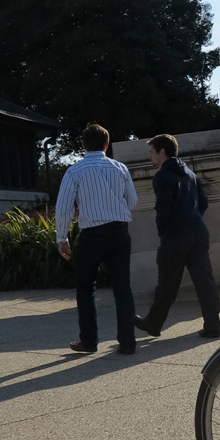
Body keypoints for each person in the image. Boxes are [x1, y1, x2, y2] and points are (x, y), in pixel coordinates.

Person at [55, 123, 138, 355]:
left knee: (85, 286)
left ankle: (89, 341)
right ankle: (128, 341)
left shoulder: (75, 171)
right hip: (119, 231)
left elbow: (63, 207)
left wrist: (62, 237)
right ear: (106, 145)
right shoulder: (120, 168)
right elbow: (132, 201)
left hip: (92, 233)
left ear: (84, 145)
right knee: (122, 287)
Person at [134, 135, 220, 340]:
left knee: (168, 282)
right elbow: (203, 202)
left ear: (162, 152)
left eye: (152, 152)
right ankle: (213, 326)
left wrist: (163, 231)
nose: (150, 156)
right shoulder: (190, 173)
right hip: (197, 231)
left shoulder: (162, 175)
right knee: (205, 282)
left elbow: (163, 208)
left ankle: (154, 323)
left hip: (176, 235)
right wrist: (193, 218)